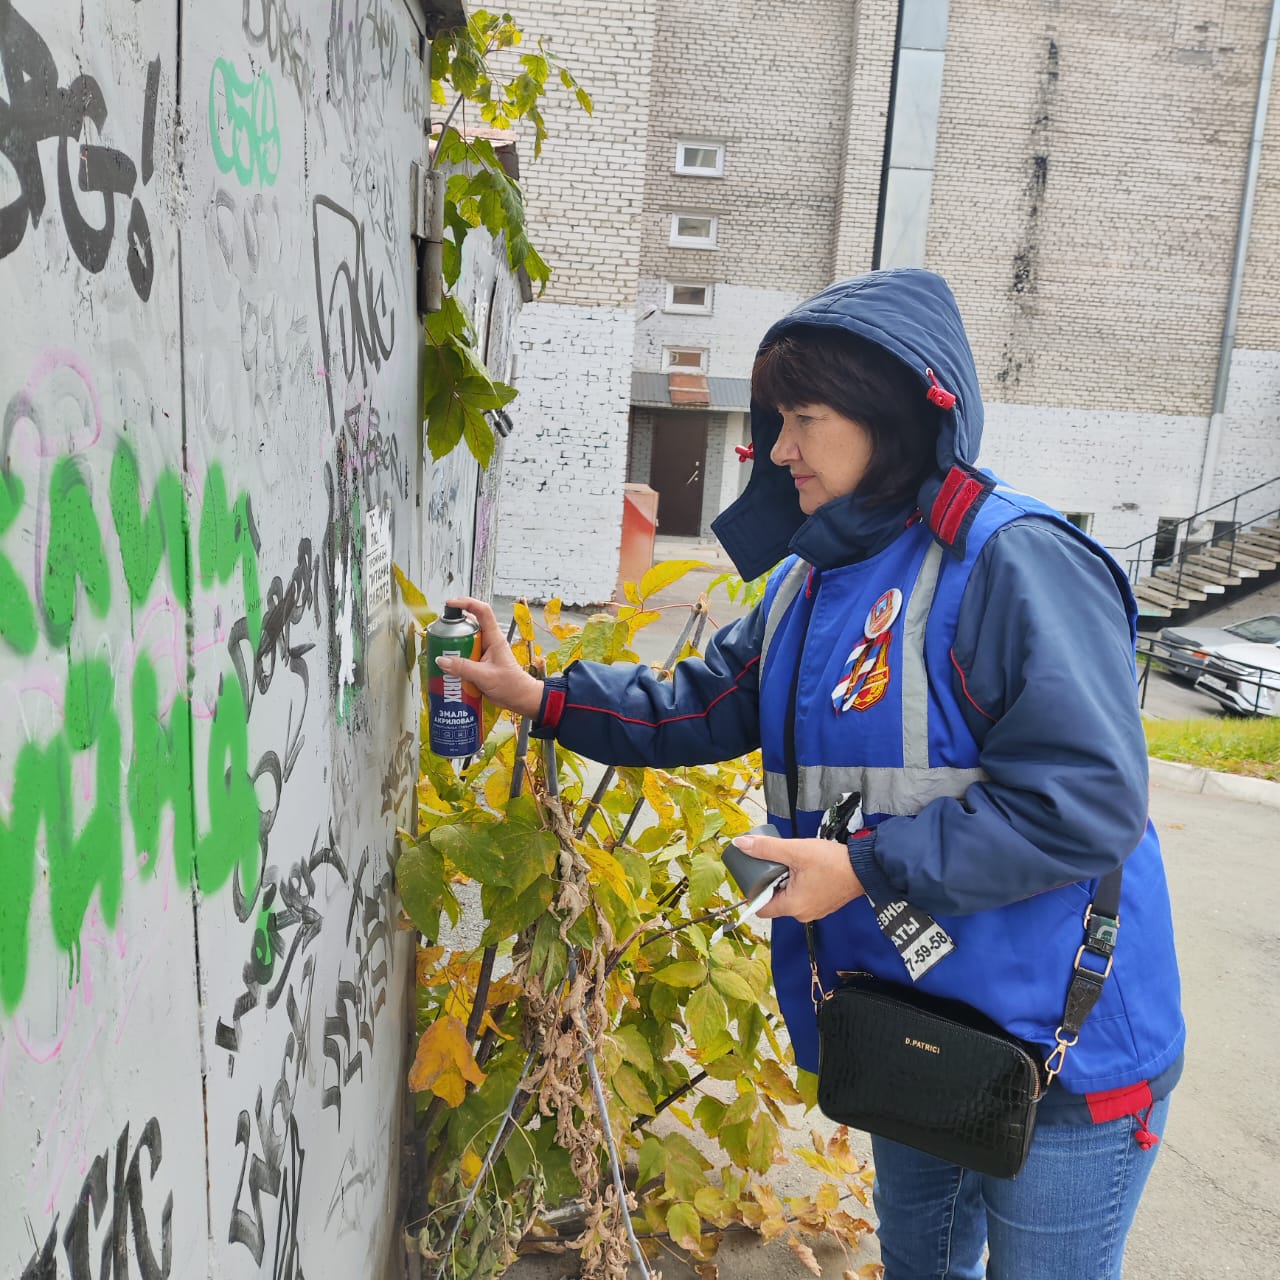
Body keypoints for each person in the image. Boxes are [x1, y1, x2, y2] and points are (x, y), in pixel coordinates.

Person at [437, 269, 1185, 1280]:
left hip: (1066, 1057)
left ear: (892, 417)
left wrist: (862, 868)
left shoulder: (1012, 561)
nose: (774, 448)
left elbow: (1085, 803)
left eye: (802, 419)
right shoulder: (813, 572)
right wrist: (538, 695)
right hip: (914, 1033)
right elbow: (704, 699)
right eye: (773, 420)